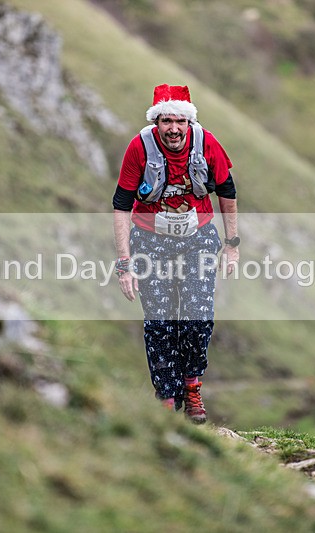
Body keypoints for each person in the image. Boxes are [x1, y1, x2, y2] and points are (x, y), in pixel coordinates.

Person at [113, 84, 239, 424]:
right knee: (159, 323)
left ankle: (192, 387)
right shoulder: (139, 147)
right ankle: (167, 400)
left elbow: (227, 191)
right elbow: (121, 205)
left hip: (198, 238)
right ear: (156, 122)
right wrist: (124, 264)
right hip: (150, 240)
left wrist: (232, 244)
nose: (173, 128)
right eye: (166, 121)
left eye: (180, 121)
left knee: (198, 317)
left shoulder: (206, 143)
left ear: (189, 122)